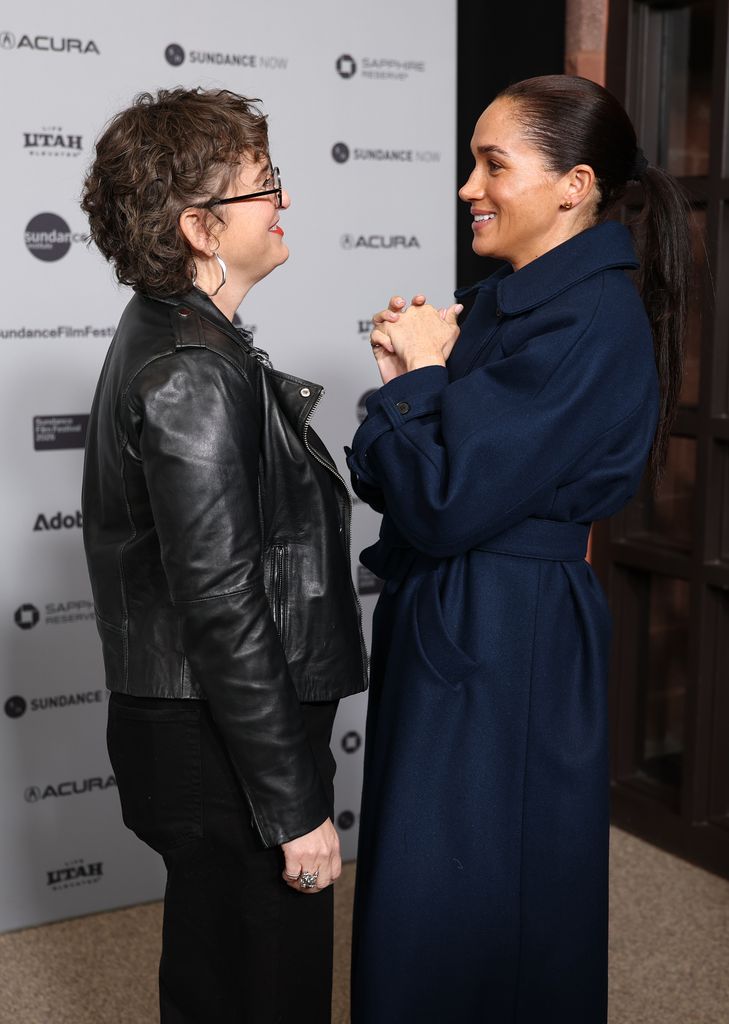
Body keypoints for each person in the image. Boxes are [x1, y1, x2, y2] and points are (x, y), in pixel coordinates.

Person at [346, 74, 691, 1023]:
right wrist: (406, 390)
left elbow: (444, 499)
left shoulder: (587, 319)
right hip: (461, 608)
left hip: (507, 625)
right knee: (431, 879)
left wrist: (413, 382)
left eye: (493, 163)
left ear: (574, 184)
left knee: (469, 892)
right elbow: (392, 481)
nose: (469, 185)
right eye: (471, 161)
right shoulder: (502, 304)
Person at [80, 87, 367, 1024]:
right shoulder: (193, 370)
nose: (284, 204)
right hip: (223, 747)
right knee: (262, 990)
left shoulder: (181, 337)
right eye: (265, 186)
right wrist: (293, 804)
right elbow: (220, 603)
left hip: (212, 734)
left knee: (218, 978)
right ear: (202, 227)